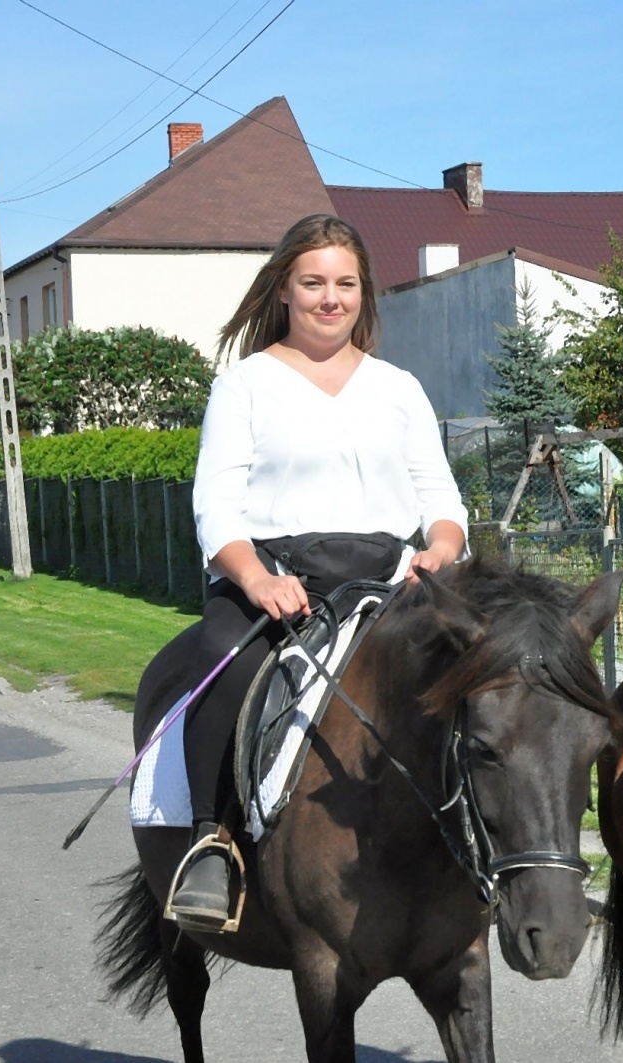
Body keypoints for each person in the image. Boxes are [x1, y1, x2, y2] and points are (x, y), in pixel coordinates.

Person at [167, 214, 468, 928]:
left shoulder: (399, 387)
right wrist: (255, 580)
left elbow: (444, 501)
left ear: (364, 293)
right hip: (279, 580)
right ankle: (212, 840)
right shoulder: (244, 385)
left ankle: (486, 838)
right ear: (283, 290)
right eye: (313, 283)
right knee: (219, 660)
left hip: (391, 584)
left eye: (345, 283)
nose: (329, 298)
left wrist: (442, 551)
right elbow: (215, 509)